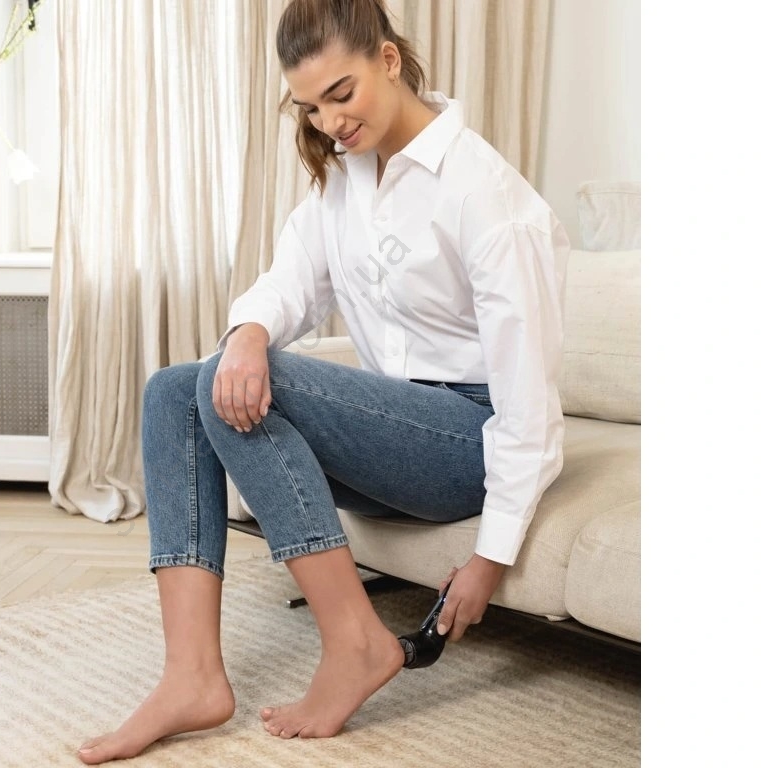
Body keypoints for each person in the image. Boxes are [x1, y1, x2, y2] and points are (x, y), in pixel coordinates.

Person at [78, 0, 568, 763]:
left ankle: (355, 644)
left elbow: (529, 399)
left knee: (236, 378)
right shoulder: (347, 177)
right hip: (393, 440)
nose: (331, 121)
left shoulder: (483, 193)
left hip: (467, 443)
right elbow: (290, 282)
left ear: (389, 60)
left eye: (342, 93)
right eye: (311, 106)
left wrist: (490, 557)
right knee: (175, 389)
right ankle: (191, 677)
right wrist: (248, 332)